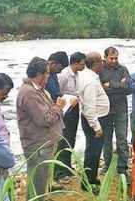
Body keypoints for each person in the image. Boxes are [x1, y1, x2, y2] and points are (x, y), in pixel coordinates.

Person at [16, 57, 66, 200]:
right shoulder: (30, 93)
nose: (48, 77)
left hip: (43, 143)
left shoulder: (36, 90)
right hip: (38, 146)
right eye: (47, 74)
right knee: (37, 184)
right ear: (40, 75)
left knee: (42, 180)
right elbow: (44, 119)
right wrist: (58, 107)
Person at [77, 52, 110, 193]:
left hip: (92, 118)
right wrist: (96, 127)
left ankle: (91, 177)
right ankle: (88, 183)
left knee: (93, 150)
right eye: (102, 61)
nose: (103, 63)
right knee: (93, 152)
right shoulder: (90, 81)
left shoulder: (87, 76)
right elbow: (89, 107)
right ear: (96, 63)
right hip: (94, 119)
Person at [99, 47, 132, 175]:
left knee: (122, 138)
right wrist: (119, 85)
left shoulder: (123, 69)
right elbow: (100, 88)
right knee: (106, 139)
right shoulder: (100, 70)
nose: (114, 61)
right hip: (105, 110)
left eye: (116, 58)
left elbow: (128, 88)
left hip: (120, 110)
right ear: (105, 57)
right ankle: (107, 165)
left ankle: (122, 167)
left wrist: (110, 85)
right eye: (111, 58)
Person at [54, 52, 86, 183]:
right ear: (75, 63)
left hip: (74, 109)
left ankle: (67, 167)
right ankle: (60, 172)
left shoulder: (77, 75)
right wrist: (68, 101)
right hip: (66, 110)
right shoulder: (64, 75)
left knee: (71, 139)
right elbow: (57, 94)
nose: (84, 66)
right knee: (64, 140)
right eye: (83, 63)